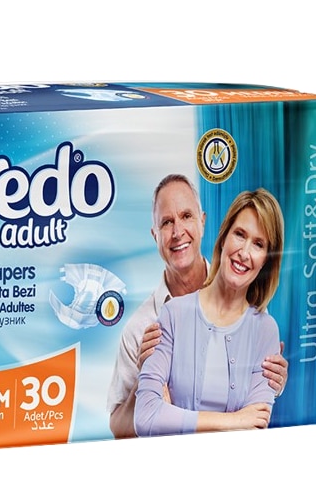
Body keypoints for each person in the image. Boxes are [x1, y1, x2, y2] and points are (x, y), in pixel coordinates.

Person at [107, 174, 288, 438]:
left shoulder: (258, 319)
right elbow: (124, 424)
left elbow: (256, 418)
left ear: (203, 222)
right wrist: (145, 381)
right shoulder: (146, 325)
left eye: (186, 216)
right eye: (166, 222)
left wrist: (274, 385)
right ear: (154, 235)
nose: (177, 232)